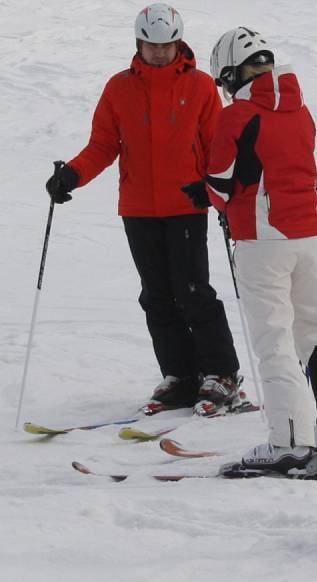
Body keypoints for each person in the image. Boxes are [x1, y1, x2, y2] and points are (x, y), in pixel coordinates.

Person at [181, 27, 317, 474]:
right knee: (316, 332)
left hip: (261, 238)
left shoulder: (239, 115)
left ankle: (289, 442)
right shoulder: (301, 109)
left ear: (232, 73)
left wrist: (203, 193)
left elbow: (222, 180)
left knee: (274, 338)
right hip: (308, 232)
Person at [44, 3, 241, 417]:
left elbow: (218, 148)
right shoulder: (119, 89)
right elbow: (103, 145)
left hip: (187, 205)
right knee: (157, 296)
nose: (158, 52)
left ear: (178, 43)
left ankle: (221, 373)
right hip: (138, 208)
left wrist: (214, 193)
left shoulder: (202, 86)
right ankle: (181, 375)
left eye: (165, 45)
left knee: (193, 292)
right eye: (150, 45)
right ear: (138, 44)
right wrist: (72, 175)